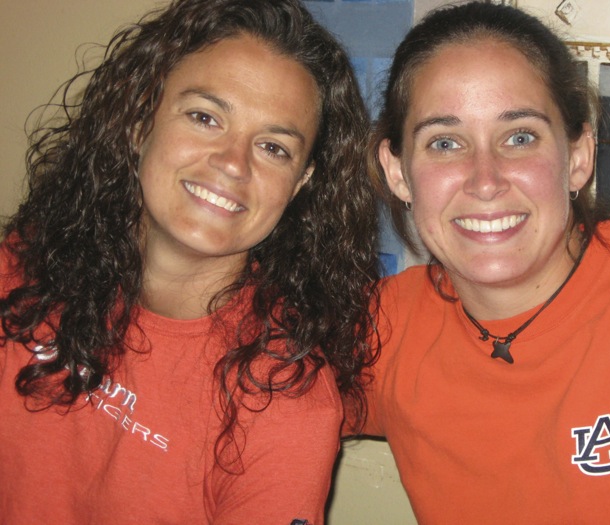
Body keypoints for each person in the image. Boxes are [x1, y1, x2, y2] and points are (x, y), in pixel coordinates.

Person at [0, 0, 379, 522]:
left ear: (301, 185)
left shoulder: (284, 399)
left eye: (273, 148)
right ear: (140, 118)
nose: (232, 162)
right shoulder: (22, 270)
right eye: (205, 117)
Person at [363, 2, 610, 523]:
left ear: (579, 156)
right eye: (445, 142)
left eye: (519, 137)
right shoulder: (382, 329)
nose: (485, 179)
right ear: (399, 172)